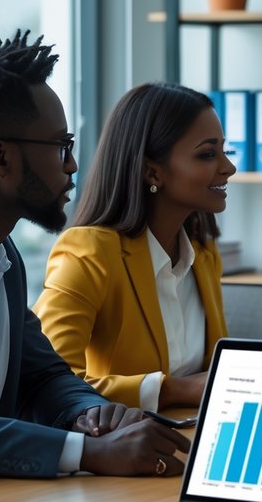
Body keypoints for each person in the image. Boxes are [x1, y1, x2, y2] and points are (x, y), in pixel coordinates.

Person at [0, 23, 190, 477]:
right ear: (0, 158)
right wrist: (84, 453)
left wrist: (94, 415)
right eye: (61, 146)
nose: (73, 166)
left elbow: (45, 376)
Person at [34, 83, 234, 409]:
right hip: (119, 449)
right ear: (151, 171)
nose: (228, 168)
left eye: (226, 151)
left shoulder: (202, 253)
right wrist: (173, 390)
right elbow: (49, 382)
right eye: (208, 154)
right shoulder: (89, 252)